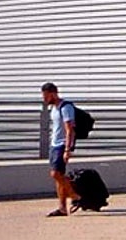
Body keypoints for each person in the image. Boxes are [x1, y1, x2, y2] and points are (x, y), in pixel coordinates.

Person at [40, 81, 76, 217]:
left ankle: (75, 195)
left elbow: (69, 129)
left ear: (54, 94)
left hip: (62, 145)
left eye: (46, 96)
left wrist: (68, 149)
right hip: (54, 144)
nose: (44, 99)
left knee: (55, 174)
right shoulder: (54, 108)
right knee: (58, 176)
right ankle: (62, 208)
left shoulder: (66, 107)